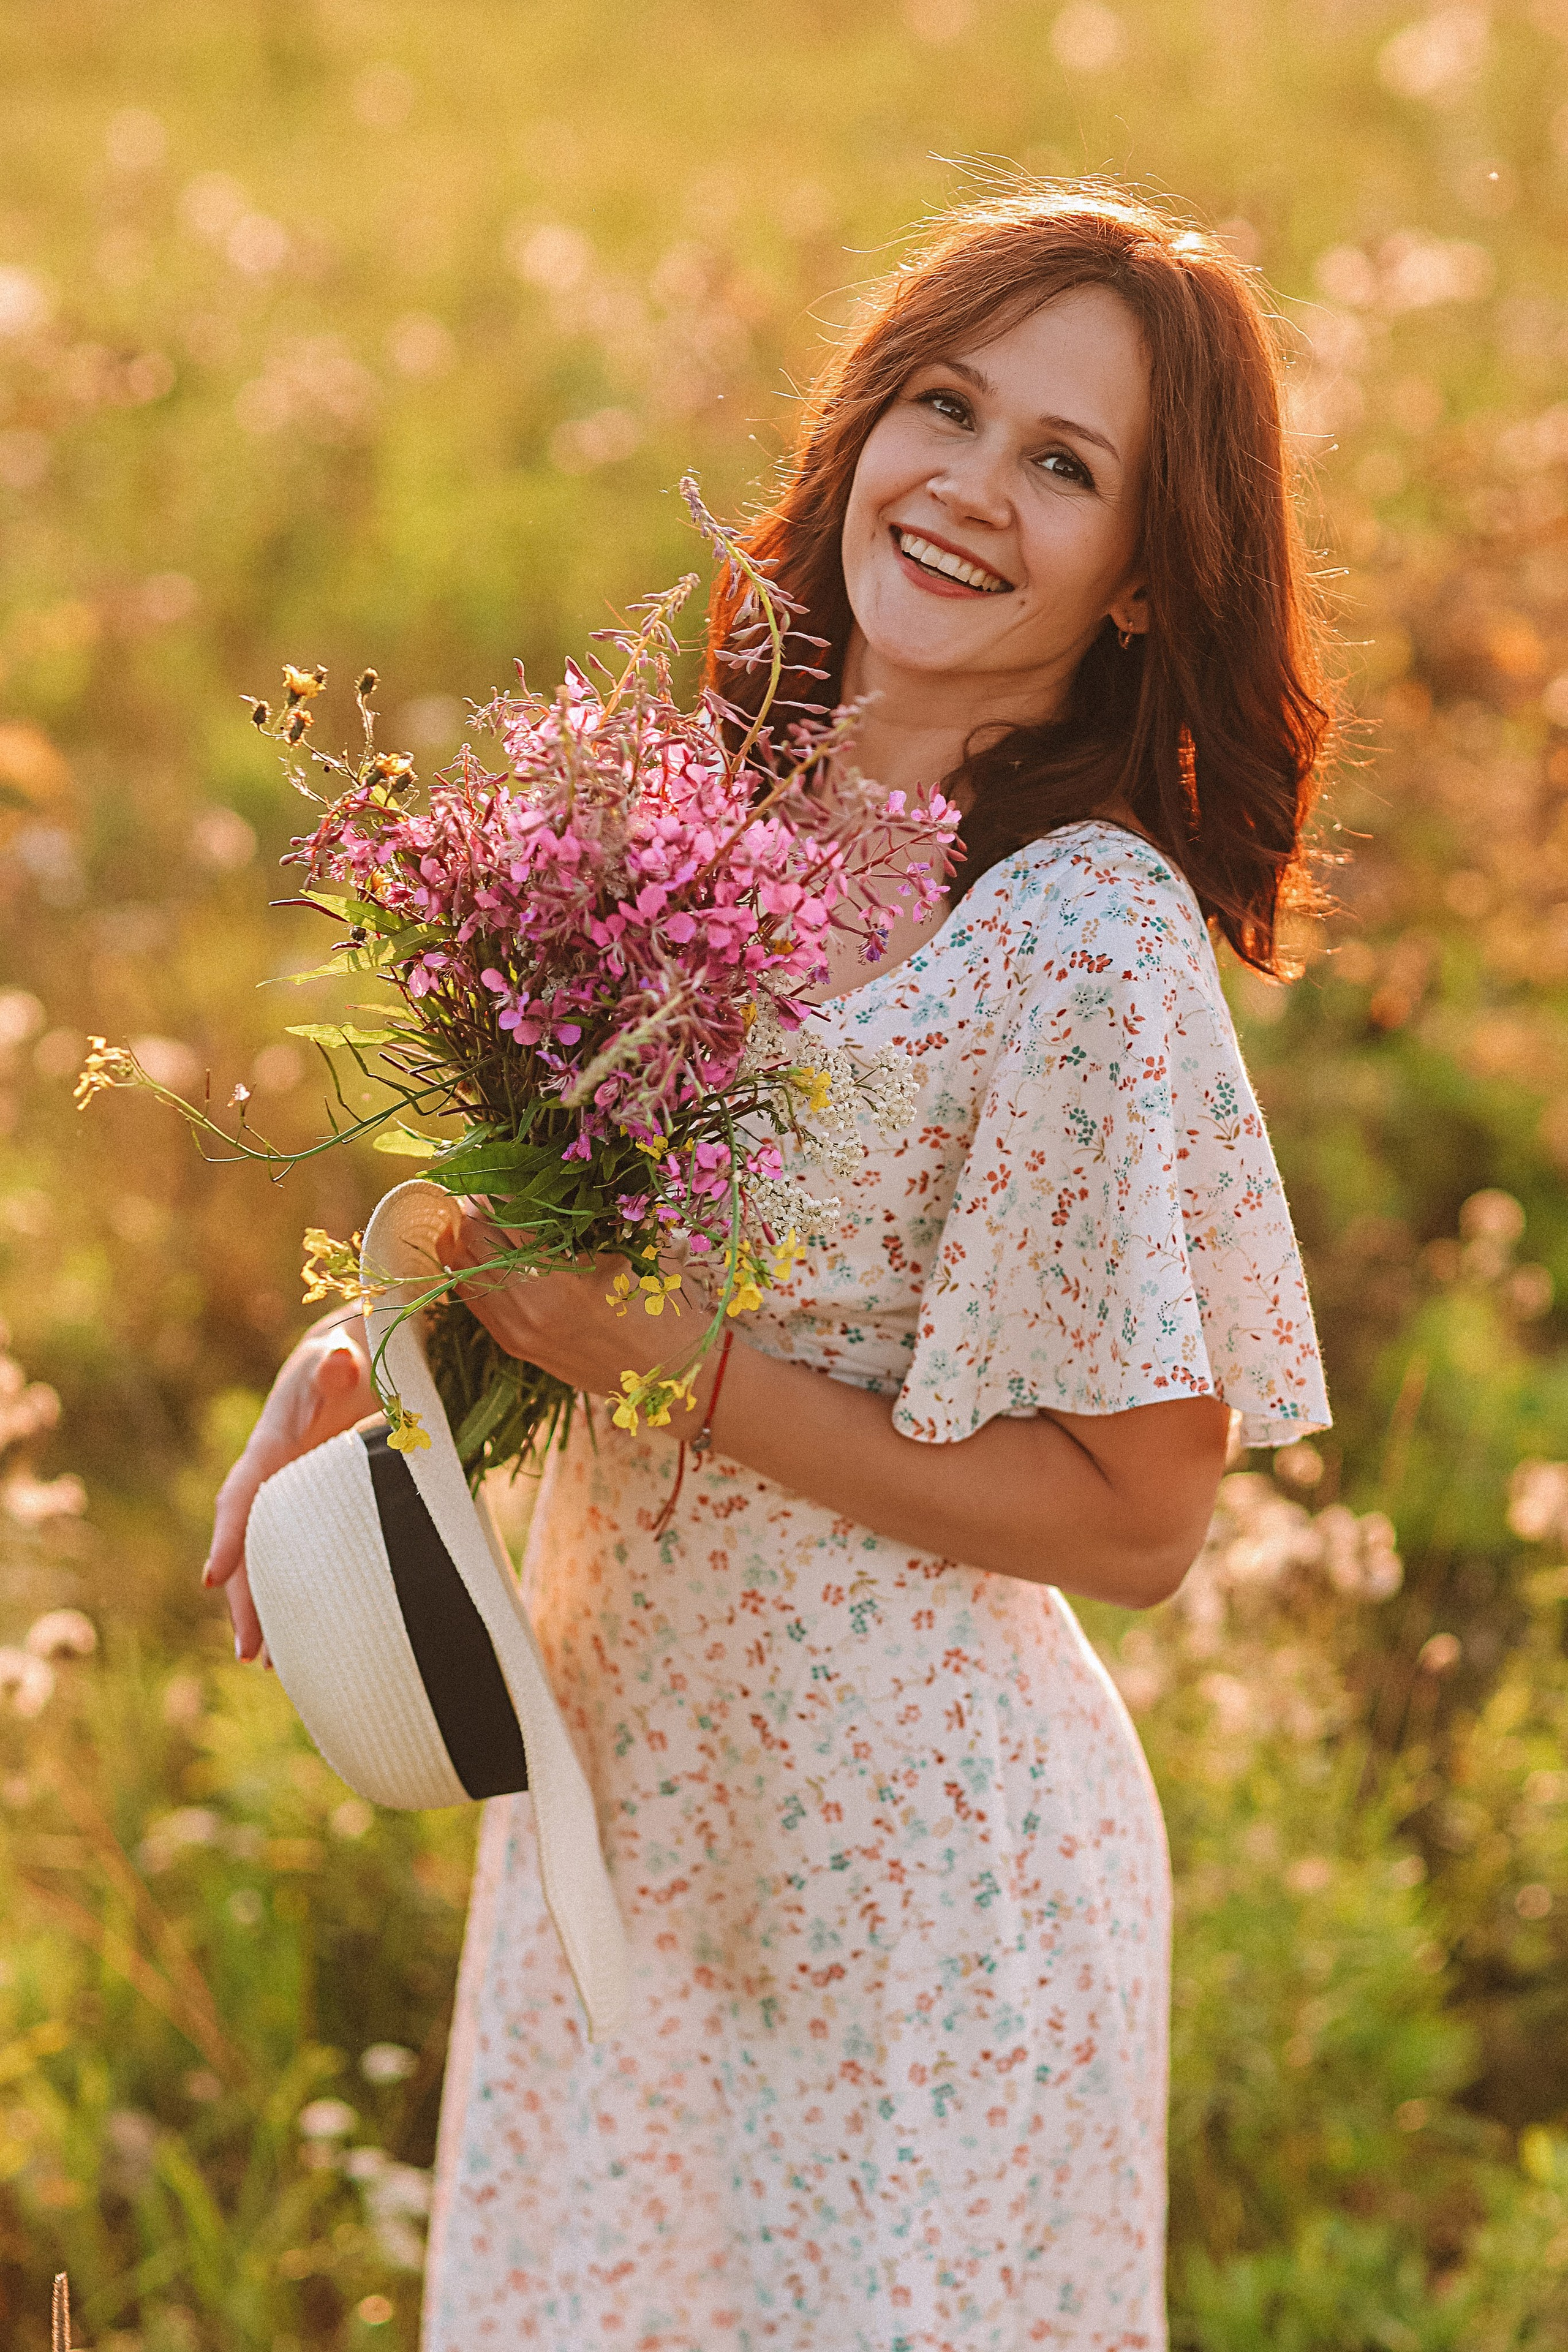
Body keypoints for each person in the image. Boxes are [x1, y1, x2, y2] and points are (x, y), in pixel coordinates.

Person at [205, 183, 1332, 2351]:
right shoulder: (711, 808)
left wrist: (690, 1374)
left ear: (1141, 581)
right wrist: (372, 1341)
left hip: (919, 1908)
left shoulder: (1085, 942)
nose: (972, 491)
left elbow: (1147, 1517)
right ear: (862, 428)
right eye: (946, 406)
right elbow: (563, 1210)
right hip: (626, 1812)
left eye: (1066, 467)